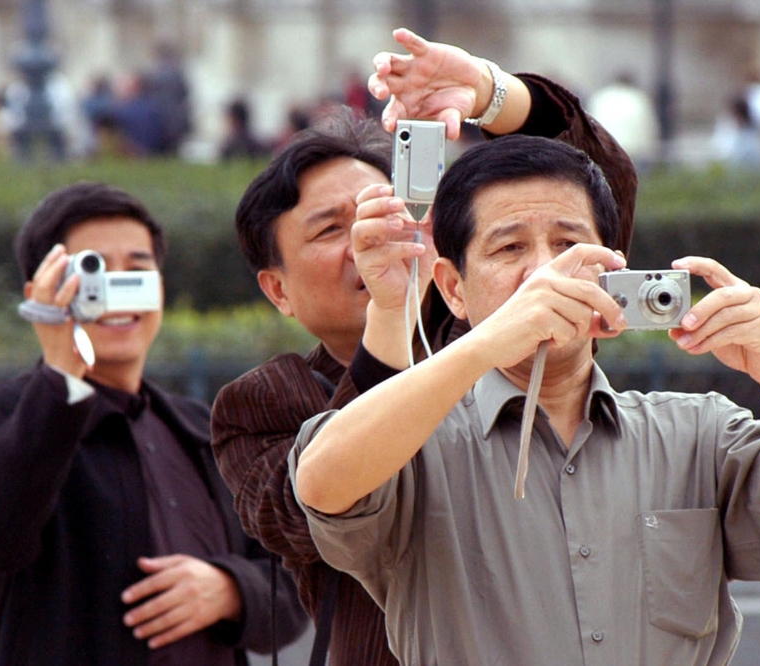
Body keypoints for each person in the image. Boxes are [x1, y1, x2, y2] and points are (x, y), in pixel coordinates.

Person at [289, 134, 760, 665]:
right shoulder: (414, 442)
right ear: (453, 289)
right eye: (508, 249)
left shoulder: (696, 433)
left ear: (612, 270)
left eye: (567, 244)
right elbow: (322, 482)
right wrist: (489, 342)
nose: (543, 273)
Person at [210, 27, 637, 666]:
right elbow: (322, 511)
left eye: (382, 208)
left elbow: (591, 193)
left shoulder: (492, 322)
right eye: (331, 230)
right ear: (278, 290)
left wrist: (491, 95)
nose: (368, 238)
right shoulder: (259, 406)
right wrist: (390, 319)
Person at [0, 182, 307, 666]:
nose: (114, 292)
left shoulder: (203, 428)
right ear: (39, 293)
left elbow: (293, 583)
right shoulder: (0, 416)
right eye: (91, 271)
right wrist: (60, 378)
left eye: (136, 271)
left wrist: (229, 589)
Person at [586, 71, 660, 169]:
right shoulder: (638, 98)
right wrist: (652, 149)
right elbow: (648, 127)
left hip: (604, 149)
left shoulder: (600, 97)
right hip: (632, 151)